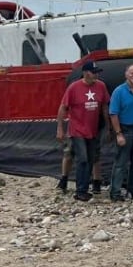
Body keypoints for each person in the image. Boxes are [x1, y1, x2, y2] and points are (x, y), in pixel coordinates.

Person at [56, 61, 110, 202]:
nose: (96, 75)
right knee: (83, 159)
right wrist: (60, 128)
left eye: (97, 72)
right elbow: (63, 107)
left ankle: (85, 187)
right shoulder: (74, 87)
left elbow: (104, 106)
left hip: (93, 130)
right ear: (86, 73)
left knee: (91, 159)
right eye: (94, 72)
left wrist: (108, 126)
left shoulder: (101, 86)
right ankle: (80, 190)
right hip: (77, 130)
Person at [108, 64, 133, 200]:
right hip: (125, 130)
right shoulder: (119, 91)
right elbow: (113, 114)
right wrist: (118, 134)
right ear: (126, 74)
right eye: (132, 73)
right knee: (121, 163)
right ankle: (115, 192)